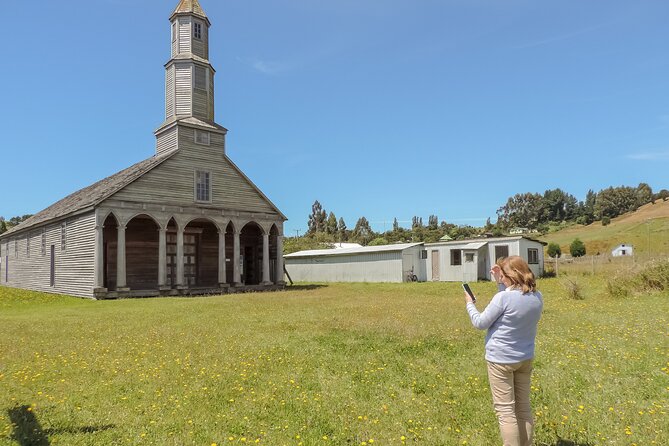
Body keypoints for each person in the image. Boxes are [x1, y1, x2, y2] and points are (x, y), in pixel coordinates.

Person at [464, 255, 543, 446]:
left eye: (503, 275)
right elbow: (510, 299)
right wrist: (499, 280)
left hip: (500, 361)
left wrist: (469, 303)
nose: (501, 278)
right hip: (525, 358)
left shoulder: (503, 298)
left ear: (512, 276)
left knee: (506, 412)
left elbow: (480, 322)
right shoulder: (537, 296)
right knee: (523, 409)